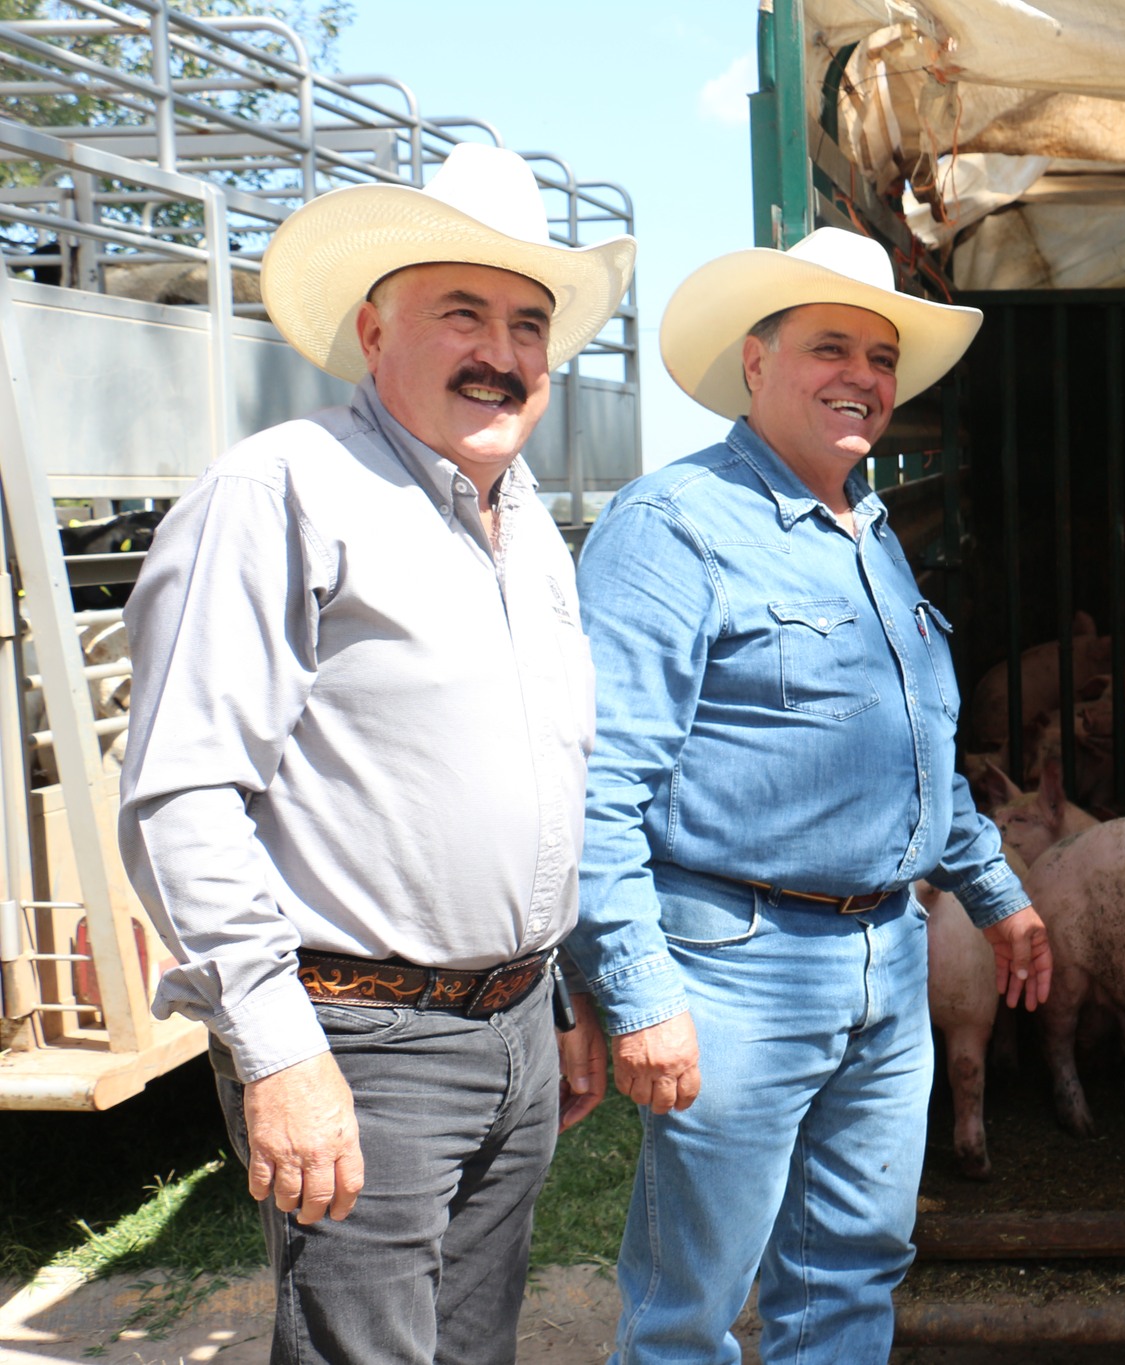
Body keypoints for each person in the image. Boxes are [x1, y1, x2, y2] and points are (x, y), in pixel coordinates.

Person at [118, 144, 634, 1364]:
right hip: (360, 1039)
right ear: (372, 328)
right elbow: (185, 794)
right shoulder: (281, 493)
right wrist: (280, 1051)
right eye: (461, 313)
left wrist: (550, 992)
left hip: (509, 1027)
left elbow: (544, 779)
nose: (499, 354)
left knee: (471, 1351)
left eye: (525, 324)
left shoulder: (530, 536)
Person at [567, 225, 1052, 1364]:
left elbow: (914, 749)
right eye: (830, 347)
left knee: (850, 1275)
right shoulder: (671, 526)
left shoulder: (871, 532)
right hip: (736, 965)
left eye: (881, 359)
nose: (863, 379)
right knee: (691, 1306)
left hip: (890, 956)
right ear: (754, 360)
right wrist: (637, 994)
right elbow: (598, 785)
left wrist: (992, 892)